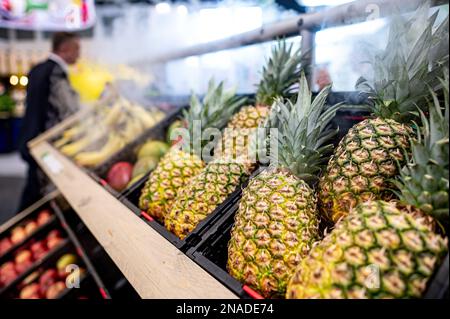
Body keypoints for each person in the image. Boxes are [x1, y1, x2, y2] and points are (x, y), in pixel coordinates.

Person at [17, 32, 81, 211]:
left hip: (29, 137)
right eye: (76, 49)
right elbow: (68, 110)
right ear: (64, 48)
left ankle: (19, 226)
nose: (79, 55)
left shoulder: (37, 69)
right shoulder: (56, 72)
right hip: (44, 144)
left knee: (32, 188)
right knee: (38, 194)